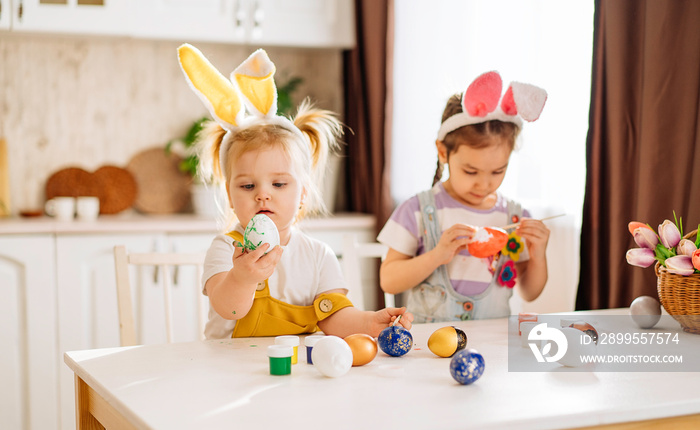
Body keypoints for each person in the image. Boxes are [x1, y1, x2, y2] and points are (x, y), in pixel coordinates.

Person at [177, 44, 412, 339]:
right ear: (230, 195)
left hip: (294, 377)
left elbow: (334, 318)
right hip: (231, 374)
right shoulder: (227, 249)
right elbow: (229, 310)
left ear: (302, 192)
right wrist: (242, 277)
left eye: (279, 184)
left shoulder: (317, 256)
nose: (263, 195)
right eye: (248, 186)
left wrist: (368, 323)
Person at [377, 71, 550, 323]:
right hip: (429, 348)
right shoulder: (417, 210)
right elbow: (389, 281)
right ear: (443, 152)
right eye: (471, 171)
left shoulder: (514, 216)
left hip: (494, 349)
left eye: (498, 171)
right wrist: (436, 256)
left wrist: (539, 255)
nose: (484, 183)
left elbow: (530, 292)